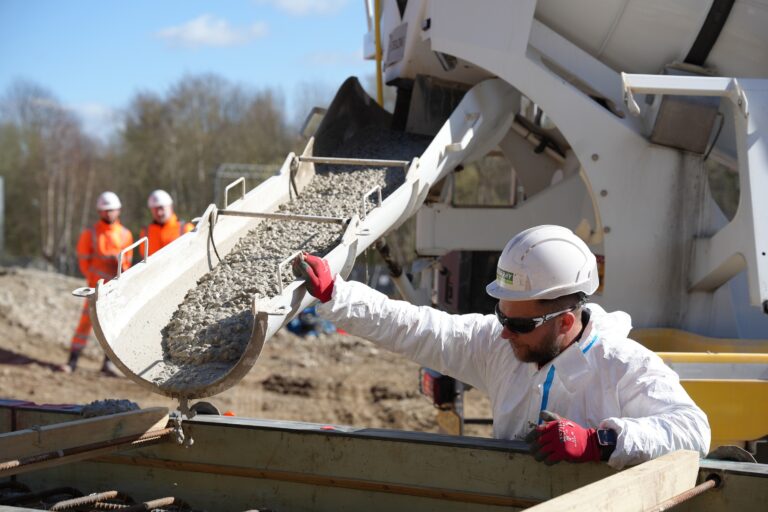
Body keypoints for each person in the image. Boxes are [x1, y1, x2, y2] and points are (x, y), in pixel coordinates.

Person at [293, 225, 711, 469]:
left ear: (566, 321)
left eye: (519, 323)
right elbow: (420, 328)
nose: (505, 332)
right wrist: (336, 295)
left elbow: (694, 431)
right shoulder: (500, 347)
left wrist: (598, 442)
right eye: (501, 315)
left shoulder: (623, 365)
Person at [61, 191, 134, 376]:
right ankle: (72, 361)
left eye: (112, 210)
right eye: (105, 210)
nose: (108, 214)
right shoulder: (90, 234)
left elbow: (127, 264)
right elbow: (84, 262)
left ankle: (108, 364)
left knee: (113, 326)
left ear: (118, 210)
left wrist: (118, 266)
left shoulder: (125, 234)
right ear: (99, 211)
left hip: (115, 290)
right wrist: (94, 279)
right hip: (95, 289)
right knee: (85, 323)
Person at [138, 189, 194, 257]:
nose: (159, 213)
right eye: (155, 209)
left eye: (161, 208)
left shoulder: (186, 229)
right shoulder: (145, 233)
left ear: (170, 207)